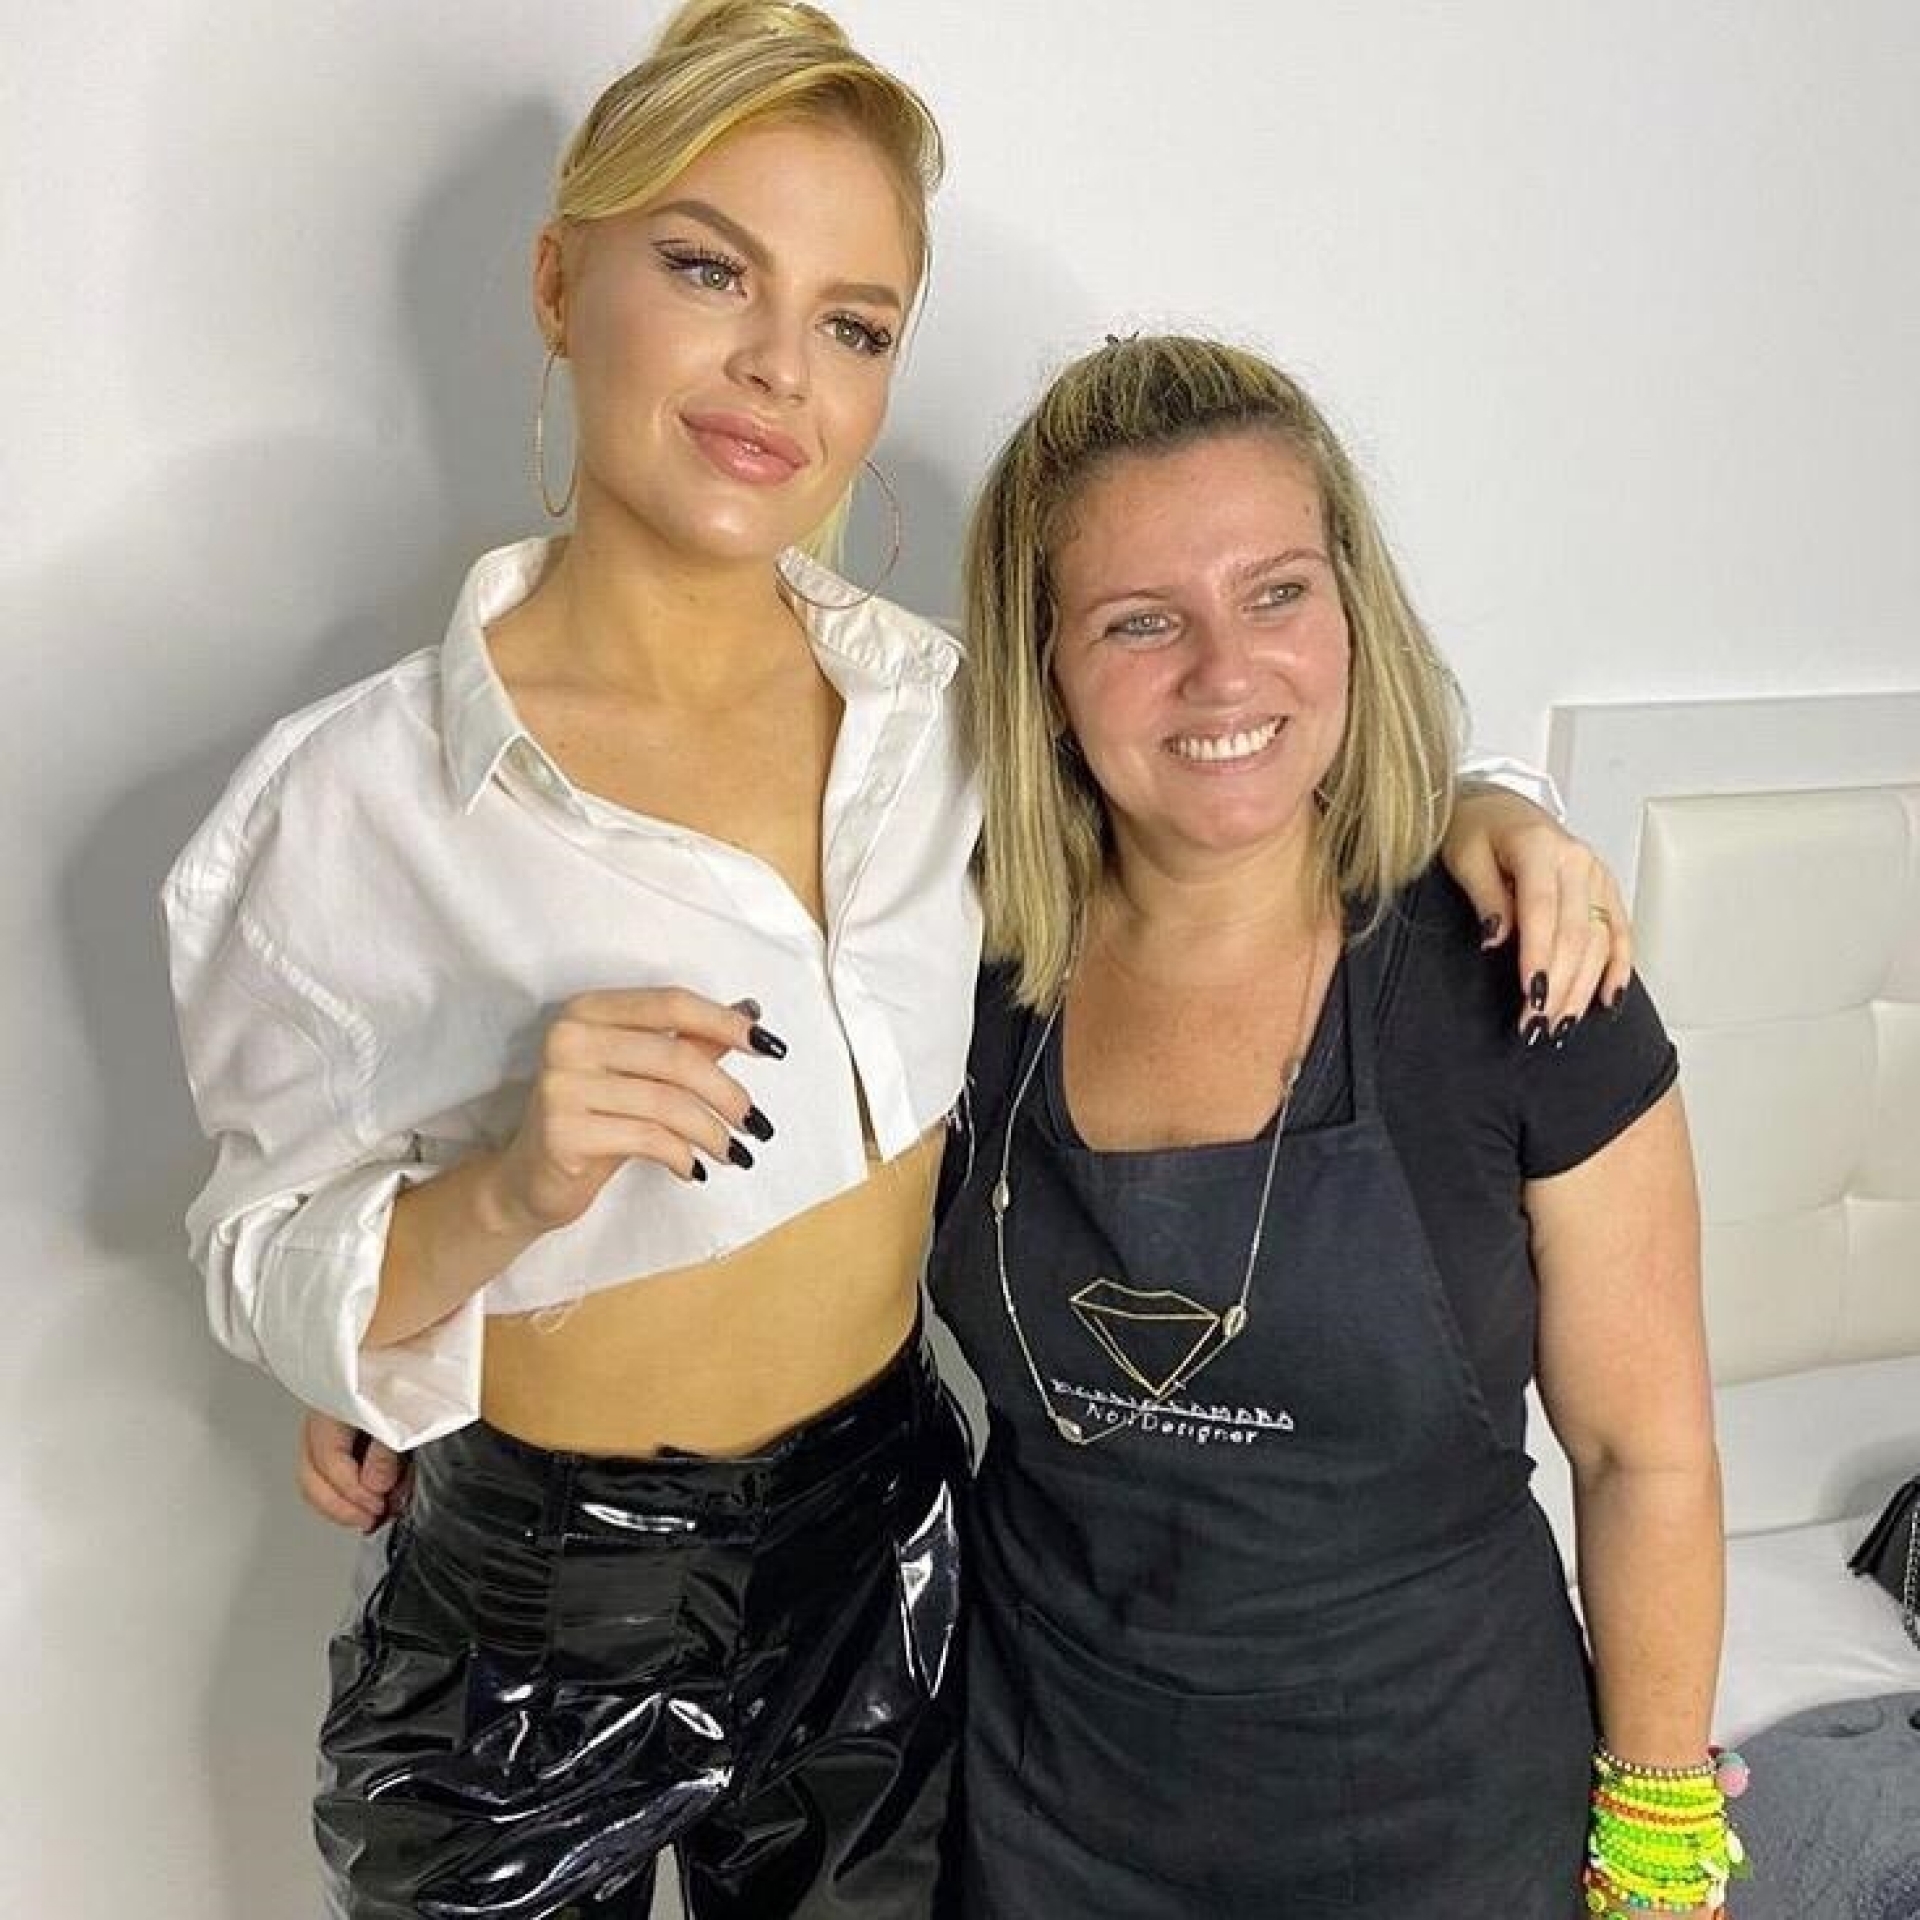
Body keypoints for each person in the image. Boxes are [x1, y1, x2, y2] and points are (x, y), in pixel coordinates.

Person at [173, 7, 1630, 1916]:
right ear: (557, 283)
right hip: (538, 1599)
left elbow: (1225, 749)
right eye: (709, 270)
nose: (778, 368)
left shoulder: (952, 731)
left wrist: (1489, 804)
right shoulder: (354, 803)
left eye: (854, 324)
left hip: (889, 1557)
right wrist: (493, 1202)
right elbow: (263, 1253)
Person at [932, 334, 1733, 1917]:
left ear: (1352, 610)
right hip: (1044, 1814)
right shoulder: (944, 968)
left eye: (1278, 594)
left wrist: (1658, 1844)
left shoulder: (1524, 978)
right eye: (1140, 620)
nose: (1226, 674)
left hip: (1438, 1822)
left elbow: (1642, 1457)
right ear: (1044, 672)